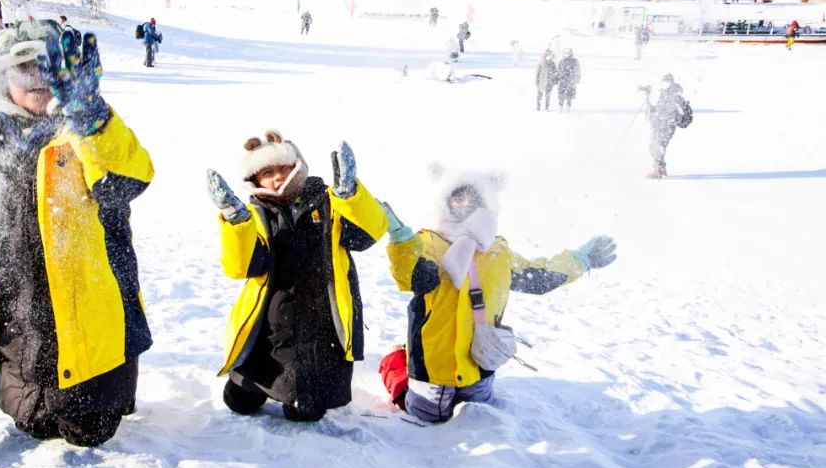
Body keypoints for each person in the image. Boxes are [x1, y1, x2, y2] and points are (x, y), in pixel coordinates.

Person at [0, 19, 154, 446]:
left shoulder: (83, 131)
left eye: (52, 68)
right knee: (31, 424)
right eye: (27, 71)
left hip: (92, 323)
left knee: (89, 433)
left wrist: (90, 117)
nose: (41, 81)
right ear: (3, 78)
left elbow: (129, 179)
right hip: (22, 326)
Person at [378, 168, 617, 422]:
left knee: (475, 415)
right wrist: (401, 240)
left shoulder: (498, 252)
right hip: (433, 374)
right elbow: (411, 276)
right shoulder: (426, 244)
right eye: (458, 197)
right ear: (445, 203)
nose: (465, 204)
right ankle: (396, 360)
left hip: (478, 369)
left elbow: (539, 277)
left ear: (486, 205)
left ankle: (401, 358)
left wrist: (580, 260)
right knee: (422, 411)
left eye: (474, 198)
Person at [206, 131, 389, 422]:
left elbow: (367, 234)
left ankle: (303, 396)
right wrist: (236, 221)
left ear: (298, 167)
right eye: (268, 172)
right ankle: (252, 387)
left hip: (321, 322)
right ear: (255, 179)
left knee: (307, 413)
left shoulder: (329, 201)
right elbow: (241, 266)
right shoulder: (254, 213)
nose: (278, 177)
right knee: (239, 402)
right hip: (269, 323)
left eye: (283, 169)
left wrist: (350, 196)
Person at [647, 73, 692, 178]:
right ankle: (660, 169)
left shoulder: (675, 95)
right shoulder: (663, 94)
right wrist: (648, 102)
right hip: (659, 124)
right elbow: (658, 109)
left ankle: (658, 170)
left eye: (667, 81)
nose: (665, 84)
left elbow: (679, 110)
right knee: (653, 146)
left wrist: (673, 119)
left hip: (667, 125)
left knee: (659, 145)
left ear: (671, 83)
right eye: (664, 81)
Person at [556, 47, 581, 112]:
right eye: (565, 52)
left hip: (571, 80)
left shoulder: (575, 61)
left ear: (571, 53)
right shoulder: (561, 61)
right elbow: (558, 70)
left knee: (569, 94)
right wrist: (557, 78)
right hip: (562, 80)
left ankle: (568, 106)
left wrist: (577, 78)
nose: (567, 54)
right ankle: (560, 106)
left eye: (568, 52)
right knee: (561, 94)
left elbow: (578, 70)